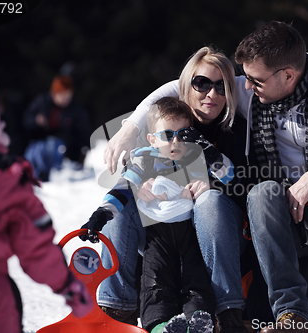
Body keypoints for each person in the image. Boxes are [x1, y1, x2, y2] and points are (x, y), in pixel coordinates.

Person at [104, 22, 308, 333]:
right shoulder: (257, 88)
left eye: (254, 80)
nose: (246, 87)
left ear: (287, 75)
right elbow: (182, 85)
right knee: (262, 192)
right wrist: (131, 127)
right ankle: (290, 315)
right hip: (291, 218)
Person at [88, 46, 259, 333]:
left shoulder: (236, 128)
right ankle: (118, 308)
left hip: (217, 232)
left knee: (210, 200)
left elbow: (241, 185)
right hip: (163, 234)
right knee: (125, 202)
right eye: (202, 83)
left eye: (221, 86)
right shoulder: (166, 122)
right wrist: (125, 195)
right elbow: (130, 177)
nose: (211, 94)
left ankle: (227, 311)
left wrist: (209, 183)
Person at [0, 31, 93, 333]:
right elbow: (35, 248)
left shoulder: (72, 111)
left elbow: (79, 134)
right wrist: (67, 286)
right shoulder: (7, 186)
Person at [83, 97, 225, 333]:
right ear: (151, 138)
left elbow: (232, 177)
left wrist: (210, 156)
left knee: (197, 283)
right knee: (155, 286)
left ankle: (199, 323)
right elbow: (122, 188)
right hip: (157, 238)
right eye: (168, 135)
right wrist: (99, 216)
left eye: (184, 134)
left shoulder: (197, 155)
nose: (176, 141)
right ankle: (160, 327)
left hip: (191, 235)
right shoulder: (143, 159)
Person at [23, 74, 90, 181]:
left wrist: (82, 151)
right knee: (36, 151)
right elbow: (26, 121)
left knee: (55, 145)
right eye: (62, 96)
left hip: (63, 149)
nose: (66, 100)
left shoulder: (75, 109)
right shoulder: (42, 102)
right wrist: (36, 120)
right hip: (38, 142)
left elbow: (82, 132)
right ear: (54, 94)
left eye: (68, 96)